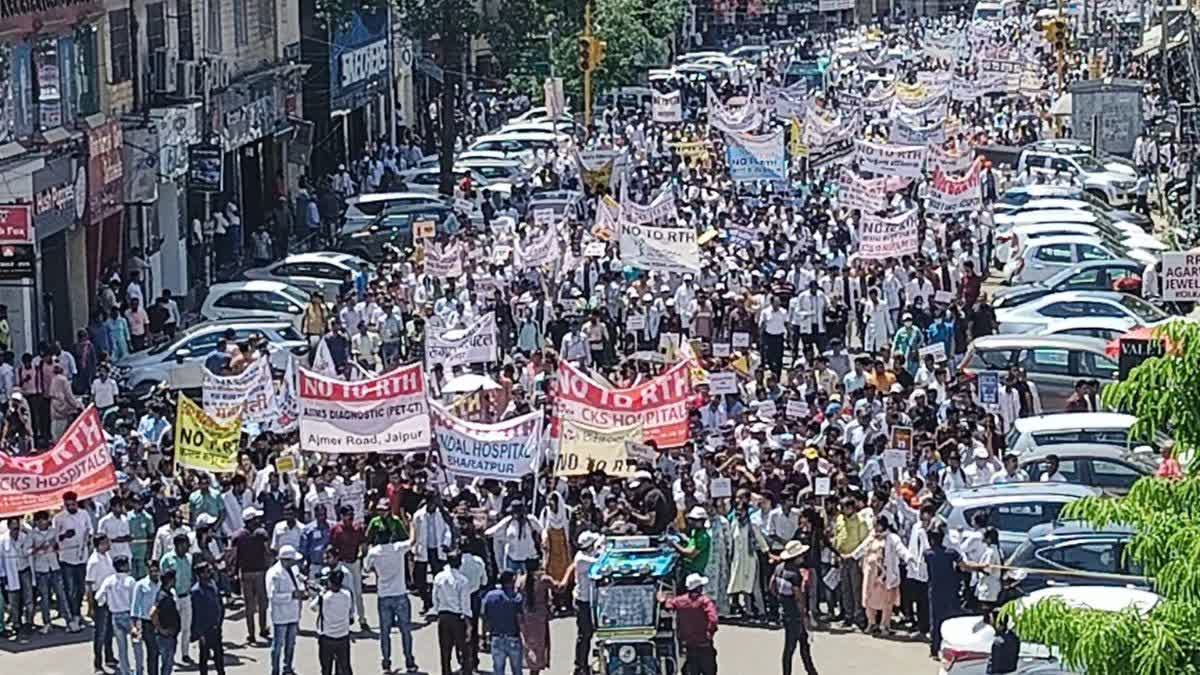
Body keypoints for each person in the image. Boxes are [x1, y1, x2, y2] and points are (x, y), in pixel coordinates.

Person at [364, 523, 419, 674]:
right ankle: (409, 661)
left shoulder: (374, 552)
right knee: (405, 631)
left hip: (384, 595)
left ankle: (386, 663)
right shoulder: (397, 548)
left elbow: (366, 568)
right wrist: (412, 524)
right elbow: (413, 540)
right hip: (400, 593)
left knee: (385, 632)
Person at [853, 514, 908, 635]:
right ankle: (871, 623)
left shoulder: (892, 538)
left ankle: (885, 625)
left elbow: (901, 549)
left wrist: (908, 557)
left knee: (887, 600)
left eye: (877, 524)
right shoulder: (871, 537)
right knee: (868, 598)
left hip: (885, 574)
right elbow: (861, 549)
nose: (875, 527)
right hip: (870, 573)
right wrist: (852, 556)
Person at [555, 530, 599, 674]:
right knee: (585, 635)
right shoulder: (582, 559)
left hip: (594, 601)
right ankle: (580, 665)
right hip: (583, 602)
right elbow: (600, 563)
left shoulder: (588, 555)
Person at [773, 540, 819, 675]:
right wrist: (804, 615)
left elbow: (772, 585)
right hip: (795, 616)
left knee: (802, 644)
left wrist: (782, 599)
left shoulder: (779, 568)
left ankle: (811, 671)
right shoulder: (795, 575)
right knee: (791, 647)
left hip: (785, 612)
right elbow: (799, 598)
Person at [661, 572, 719, 675]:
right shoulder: (705, 601)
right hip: (704, 643)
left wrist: (665, 598)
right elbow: (713, 619)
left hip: (688, 645)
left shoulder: (680, 601)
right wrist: (710, 632)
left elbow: (669, 605)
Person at [230, 506, 271, 645]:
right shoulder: (261, 534)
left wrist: (235, 572)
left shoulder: (238, 536)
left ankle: (251, 634)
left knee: (249, 605)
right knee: (262, 602)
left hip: (246, 572)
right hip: (259, 572)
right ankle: (263, 628)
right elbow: (267, 552)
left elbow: (234, 557)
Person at [924, 526, 964, 657]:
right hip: (950, 589)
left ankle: (934, 649)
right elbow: (962, 565)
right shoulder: (951, 553)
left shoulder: (928, 554)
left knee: (935, 620)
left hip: (934, 589)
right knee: (949, 618)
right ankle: (947, 647)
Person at [267, 544, 306, 675]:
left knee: (291, 644)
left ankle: (287, 668)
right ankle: (275, 671)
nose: (295, 562)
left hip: (293, 613)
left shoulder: (294, 569)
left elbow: (298, 582)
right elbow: (272, 596)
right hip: (280, 616)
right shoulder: (274, 574)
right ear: (285, 560)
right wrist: (292, 595)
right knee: (278, 646)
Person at [432, 549, 472, 675]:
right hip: (457, 618)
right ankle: (466, 672)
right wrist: (468, 622)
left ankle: (446, 672)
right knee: (464, 649)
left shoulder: (439, 577)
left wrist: (438, 610)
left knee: (445, 650)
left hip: (443, 616)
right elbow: (465, 603)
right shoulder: (463, 581)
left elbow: (435, 597)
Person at [159, 533, 194, 666]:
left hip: (186, 596)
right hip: (173, 598)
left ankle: (185, 654)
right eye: (185, 545)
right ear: (178, 545)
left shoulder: (188, 558)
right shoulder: (167, 559)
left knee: (186, 628)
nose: (187, 548)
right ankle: (170, 656)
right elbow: (162, 579)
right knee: (173, 628)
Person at [313, 567, 355, 675]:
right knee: (344, 666)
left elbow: (313, 607)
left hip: (327, 637)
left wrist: (320, 593)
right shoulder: (347, 595)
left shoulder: (325, 597)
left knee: (326, 669)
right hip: (343, 636)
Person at [482, 570, 525, 675]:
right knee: (517, 671)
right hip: (513, 637)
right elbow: (520, 620)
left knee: (498, 670)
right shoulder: (517, 598)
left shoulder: (489, 596)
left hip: (496, 637)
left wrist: (484, 636)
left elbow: (485, 618)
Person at [517, 557, 554, 675]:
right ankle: (535, 671)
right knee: (539, 645)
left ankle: (531, 667)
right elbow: (560, 588)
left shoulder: (520, 580)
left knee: (529, 644)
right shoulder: (544, 579)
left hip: (525, 615)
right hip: (540, 617)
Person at [87, 533, 118, 673]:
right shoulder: (94, 561)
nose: (108, 544)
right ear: (99, 545)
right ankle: (97, 664)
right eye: (106, 542)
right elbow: (89, 585)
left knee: (109, 631)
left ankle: (109, 657)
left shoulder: (106, 556)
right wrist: (91, 606)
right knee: (99, 633)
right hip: (99, 599)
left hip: (110, 598)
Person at [190, 561, 225, 675]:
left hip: (216, 628)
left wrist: (220, 621)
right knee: (204, 659)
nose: (209, 573)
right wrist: (199, 634)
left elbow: (218, 603)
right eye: (206, 571)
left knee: (219, 658)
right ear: (200, 574)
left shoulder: (212, 584)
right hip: (205, 630)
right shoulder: (196, 591)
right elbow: (196, 614)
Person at [130, 559, 162, 675]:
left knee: (160, 651)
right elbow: (135, 606)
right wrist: (134, 626)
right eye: (152, 571)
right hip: (147, 622)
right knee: (152, 651)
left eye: (156, 571)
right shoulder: (140, 585)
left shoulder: (162, 584)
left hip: (161, 621)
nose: (154, 573)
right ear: (147, 571)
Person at [151, 568, 181, 675]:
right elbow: (153, 613)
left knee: (168, 664)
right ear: (170, 580)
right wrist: (161, 629)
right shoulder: (163, 596)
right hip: (165, 636)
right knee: (167, 665)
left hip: (170, 635)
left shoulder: (167, 594)